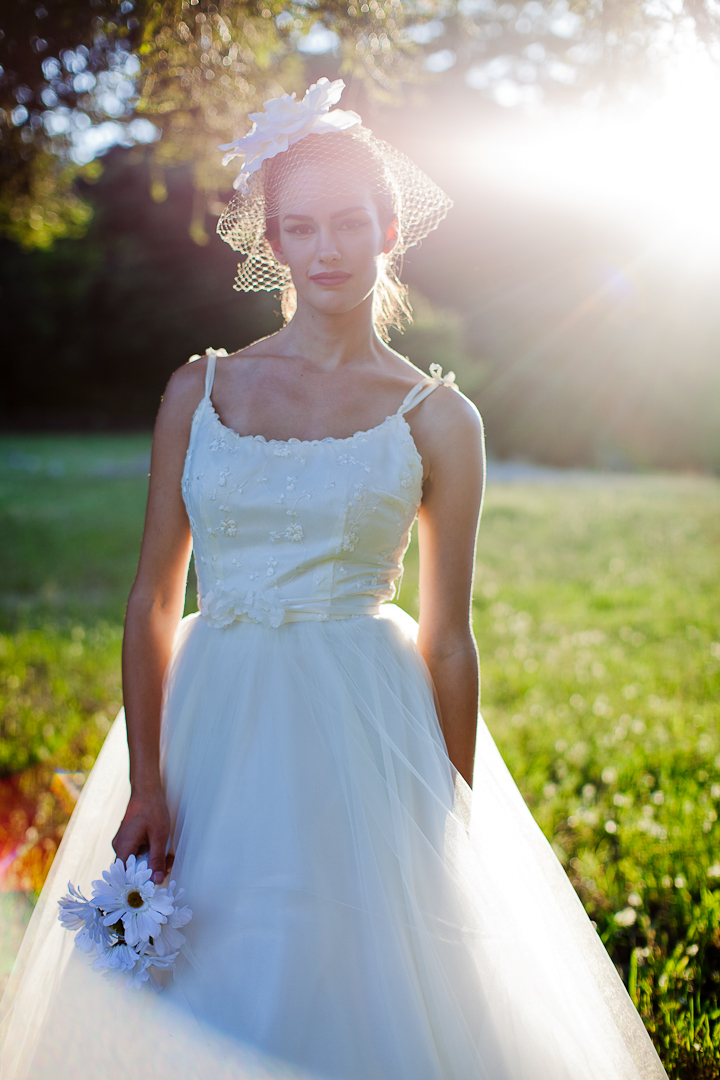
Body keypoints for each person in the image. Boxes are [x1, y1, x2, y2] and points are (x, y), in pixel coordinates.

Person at [0, 79, 667, 1080]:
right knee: (212, 952)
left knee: (360, 967)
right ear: (272, 241)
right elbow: (150, 599)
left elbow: (446, 635)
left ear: (389, 227)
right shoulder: (202, 389)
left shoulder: (440, 418)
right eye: (301, 227)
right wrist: (147, 779)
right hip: (214, 712)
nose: (328, 250)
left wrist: (451, 816)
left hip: (366, 718)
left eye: (350, 223)